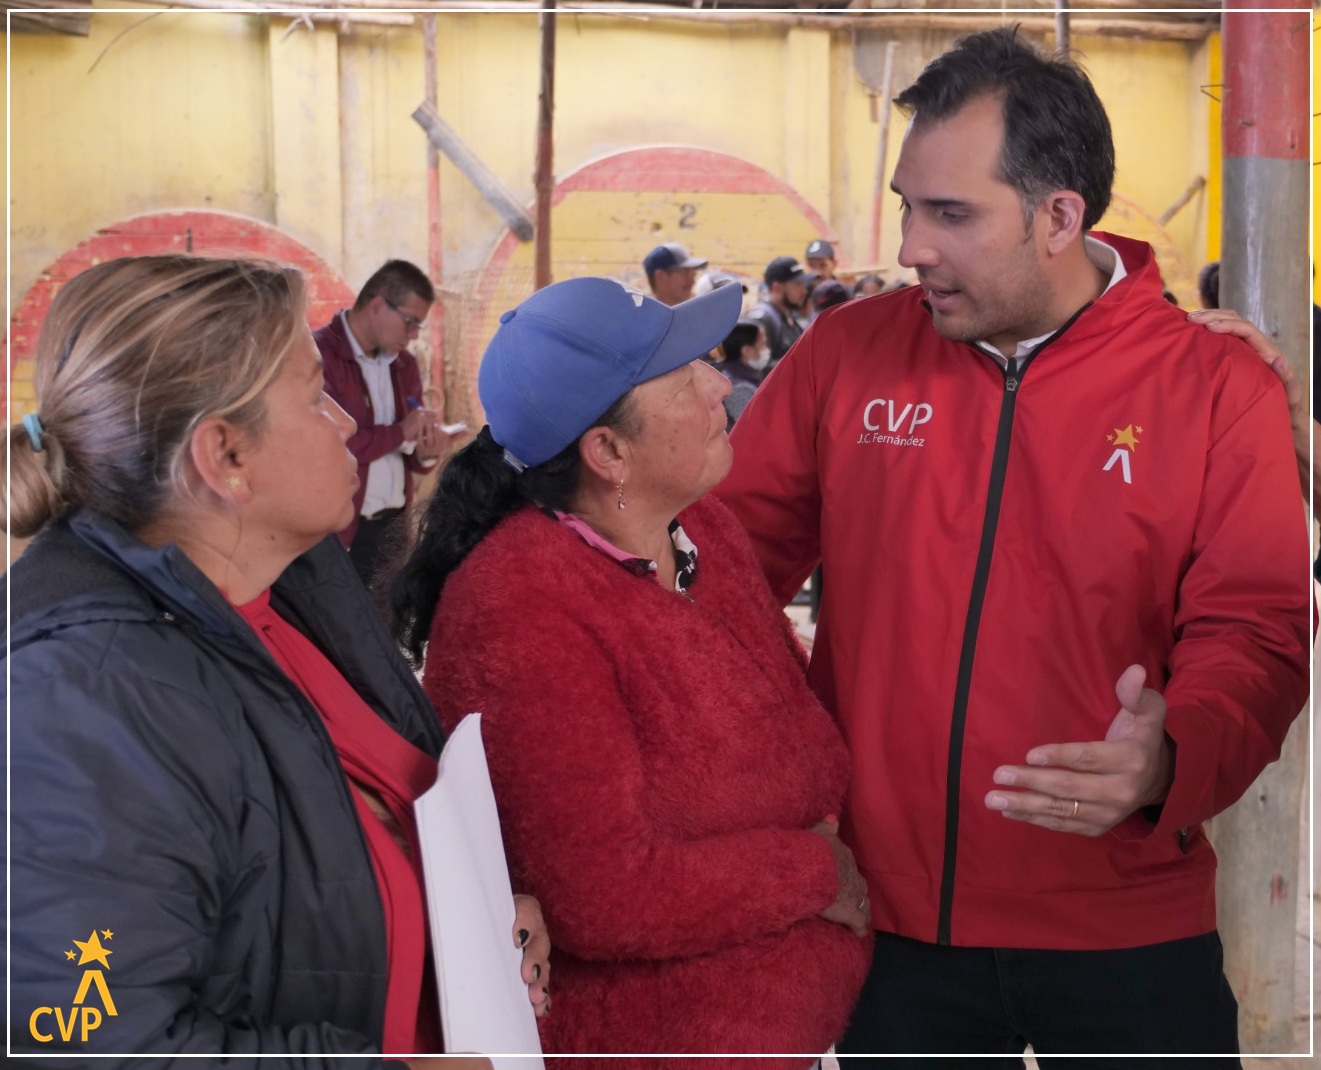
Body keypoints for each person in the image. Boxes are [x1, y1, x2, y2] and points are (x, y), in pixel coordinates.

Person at [718, 28, 1309, 1064]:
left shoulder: (1212, 388)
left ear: (1058, 216)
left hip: (1125, 925)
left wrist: (1173, 750)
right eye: (908, 204)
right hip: (884, 922)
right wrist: (773, 797)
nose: (910, 245)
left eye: (949, 213)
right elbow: (717, 578)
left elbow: (1254, 628)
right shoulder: (848, 356)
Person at [7, 254, 550, 1065]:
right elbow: (90, 1040)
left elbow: (333, 840)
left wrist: (470, 911)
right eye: (310, 395)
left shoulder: (293, 588)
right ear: (225, 456)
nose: (339, 422)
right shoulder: (82, 696)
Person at [389, 277, 871, 1067]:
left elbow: (798, 743)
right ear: (607, 452)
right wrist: (816, 868)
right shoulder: (520, 605)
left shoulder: (701, 528)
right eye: (685, 379)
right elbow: (606, 895)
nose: (720, 384)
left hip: (787, 1026)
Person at [316, 259, 454, 589]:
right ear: (378, 305)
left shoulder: (403, 364)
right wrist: (401, 432)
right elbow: (331, 447)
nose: (412, 335)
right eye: (409, 322)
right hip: (340, 528)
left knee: (386, 627)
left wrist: (427, 451)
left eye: (418, 327)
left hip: (392, 525)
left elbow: (411, 458)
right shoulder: (319, 354)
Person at [747, 255, 810, 367]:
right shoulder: (762, 319)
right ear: (777, 287)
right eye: (797, 284)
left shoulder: (790, 317)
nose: (804, 290)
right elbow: (756, 367)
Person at [717, 318, 770, 427]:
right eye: (763, 344)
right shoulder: (739, 388)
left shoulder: (746, 375)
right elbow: (755, 428)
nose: (766, 349)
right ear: (747, 350)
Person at [642, 241, 707, 306]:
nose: (692, 282)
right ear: (661, 277)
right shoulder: (641, 315)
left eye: (693, 274)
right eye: (686, 273)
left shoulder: (697, 313)